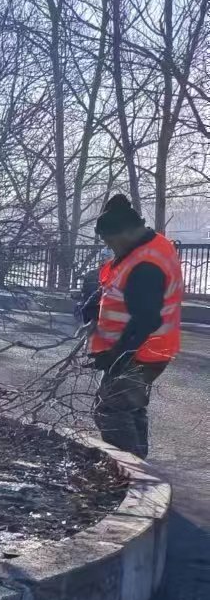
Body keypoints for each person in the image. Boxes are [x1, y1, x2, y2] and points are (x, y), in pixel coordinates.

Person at [80, 193, 184, 459]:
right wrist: (95, 305)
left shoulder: (146, 264)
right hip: (145, 350)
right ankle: (138, 466)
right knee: (130, 407)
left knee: (111, 411)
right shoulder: (145, 248)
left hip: (140, 352)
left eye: (109, 241)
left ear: (124, 233)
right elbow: (118, 286)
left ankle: (130, 473)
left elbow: (146, 319)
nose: (109, 247)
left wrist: (118, 357)